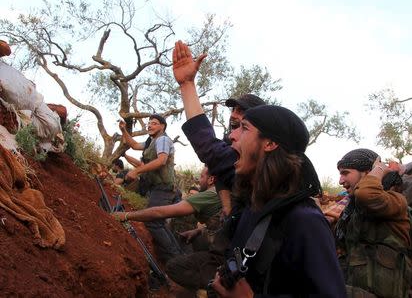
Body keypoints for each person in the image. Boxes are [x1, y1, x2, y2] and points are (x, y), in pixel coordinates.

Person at [173, 40, 346, 297]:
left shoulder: (304, 222)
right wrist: (187, 85)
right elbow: (207, 145)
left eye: (244, 128)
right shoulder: (253, 196)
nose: (232, 137)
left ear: (271, 143)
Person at [113, 166, 224, 294]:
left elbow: (160, 212)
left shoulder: (209, 194)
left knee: (174, 268)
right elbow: (220, 223)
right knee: (196, 242)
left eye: (202, 177)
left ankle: (206, 291)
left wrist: (126, 215)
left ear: (211, 179)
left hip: (222, 255)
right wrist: (198, 231)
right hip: (224, 249)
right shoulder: (221, 193)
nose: (199, 180)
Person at [334, 148, 412, 298]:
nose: (340, 181)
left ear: (367, 172)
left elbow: (366, 194)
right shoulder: (353, 210)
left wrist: (379, 168)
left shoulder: (394, 201)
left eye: (345, 173)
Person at [118, 114, 182, 263]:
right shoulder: (150, 141)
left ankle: (175, 259)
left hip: (164, 188)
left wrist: (136, 171)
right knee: (158, 222)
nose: (150, 126)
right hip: (158, 188)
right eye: (149, 123)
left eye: (154, 123)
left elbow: (161, 160)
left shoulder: (163, 140)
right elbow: (134, 145)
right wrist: (124, 130)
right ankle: (178, 256)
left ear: (162, 126)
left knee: (152, 222)